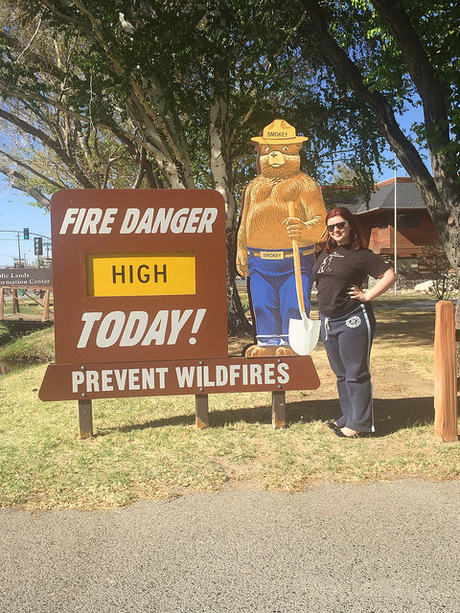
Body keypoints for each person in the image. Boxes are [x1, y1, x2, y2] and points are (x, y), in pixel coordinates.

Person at [313, 206, 396, 438]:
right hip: (328, 320)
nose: (336, 230)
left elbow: (390, 276)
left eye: (341, 225)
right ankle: (348, 416)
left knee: (356, 372)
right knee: (340, 373)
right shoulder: (324, 253)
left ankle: (359, 425)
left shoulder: (362, 255)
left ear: (350, 225)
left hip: (353, 319)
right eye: (331, 227)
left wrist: (367, 295)